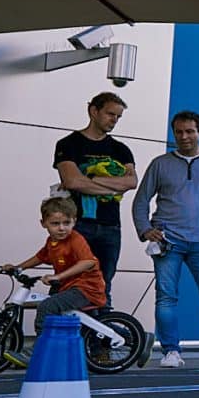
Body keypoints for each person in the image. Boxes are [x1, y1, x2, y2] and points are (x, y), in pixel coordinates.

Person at [132, 109, 199, 368]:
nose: (184, 137)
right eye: (178, 132)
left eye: (190, 131)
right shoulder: (160, 164)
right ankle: (170, 352)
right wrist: (145, 230)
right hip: (168, 241)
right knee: (166, 297)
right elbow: (141, 201)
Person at [53, 92, 137, 289]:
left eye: (118, 116)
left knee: (102, 284)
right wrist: (111, 188)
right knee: (66, 281)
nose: (114, 120)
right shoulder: (69, 143)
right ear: (93, 111)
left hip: (110, 225)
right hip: (77, 223)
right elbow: (72, 181)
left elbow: (131, 182)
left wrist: (91, 179)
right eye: (110, 114)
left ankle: (101, 312)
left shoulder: (120, 149)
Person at [4, 196, 106, 321]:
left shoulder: (75, 240)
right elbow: (40, 257)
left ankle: (43, 335)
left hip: (86, 289)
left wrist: (58, 276)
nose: (61, 228)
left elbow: (88, 262)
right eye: (55, 224)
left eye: (66, 223)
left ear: (74, 221)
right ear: (43, 223)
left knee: (47, 306)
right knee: (57, 309)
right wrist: (18, 268)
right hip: (66, 286)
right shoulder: (51, 241)